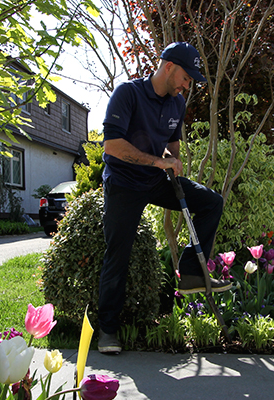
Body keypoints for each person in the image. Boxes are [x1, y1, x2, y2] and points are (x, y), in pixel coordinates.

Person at [97, 42, 232, 354]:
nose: (187, 85)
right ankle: (108, 330)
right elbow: (112, 147)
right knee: (118, 254)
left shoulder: (177, 103)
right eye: (186, 77)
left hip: (156, 180)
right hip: (123, 184)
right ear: (169, 66)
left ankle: (191, 272)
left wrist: (172, 160)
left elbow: (172, 144)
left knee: (211, 202)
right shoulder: (128, 94)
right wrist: (159, 162)